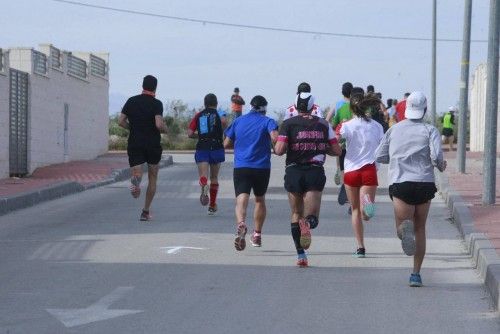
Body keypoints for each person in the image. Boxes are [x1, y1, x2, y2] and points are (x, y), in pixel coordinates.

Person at [375, 91, 447, 287]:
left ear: (406, 109)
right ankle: (415, 274)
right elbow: (436, 157)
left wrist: (397, 157)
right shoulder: (430, 130)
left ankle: (401, 230)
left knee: (402, 226)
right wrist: (441, 165)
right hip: (424, 183)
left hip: (401, 182)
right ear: (424, 110)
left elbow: (379, 155)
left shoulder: (394, 130)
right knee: (420, 227)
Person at [274, 93, 342, 267]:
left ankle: (301, 255)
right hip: (314, 171)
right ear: (313, 107)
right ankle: (308, 223)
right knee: (312, 217)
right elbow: (337, 150)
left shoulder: (288, 124)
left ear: (295, 107)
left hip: (294, 171)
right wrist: (320, 146)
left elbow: (280, 150)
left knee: (296, 213)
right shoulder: (323, 124)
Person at [224, 95, 279, 250]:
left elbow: (226, 143)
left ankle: (241, 223)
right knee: (260, 200)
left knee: (241, 199)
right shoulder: (268, 121)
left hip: (242, 166)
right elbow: (275, 137)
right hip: (261, 167)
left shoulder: (238, 121)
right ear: (264, 108)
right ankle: (257, 235)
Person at [339, 88, 384, 257]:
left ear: (351, 108)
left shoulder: (347, 126)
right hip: (369, 170)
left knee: (355, 210)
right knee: (366, 214)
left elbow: (338, 139)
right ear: (367, 107)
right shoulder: (377, 126)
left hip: (351, 171)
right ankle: (368, 206)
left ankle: (360, 248)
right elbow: (383, 146)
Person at [119, 75, 167, 221]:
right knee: (153, 176)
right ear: (155, 87)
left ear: (143, 86)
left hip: (135, 142)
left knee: (137, 171)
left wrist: (132, 128)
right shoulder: (157, 103)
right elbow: (159, 124)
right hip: (152, 144)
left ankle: (136, 179)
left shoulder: (131, 101)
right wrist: (165, 129)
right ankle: (145, 211)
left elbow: (121, 121)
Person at [188, 93, 227, 215]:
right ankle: (212, 205)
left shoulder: (198, 115)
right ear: (216, 103)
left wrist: (199, 135)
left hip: (202, 147)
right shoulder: (220, 114)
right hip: (216, 147)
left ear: (204, 104)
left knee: (204, 176)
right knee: (214, 177)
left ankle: (204, 183)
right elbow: (224, 123)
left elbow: (189, 133)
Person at [332, 84, 357, 207]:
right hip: (358, 148)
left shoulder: (339, 106)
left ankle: (344, 185)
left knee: (344, 168)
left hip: (343, 144)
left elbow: (332, 123)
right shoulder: (363, 109)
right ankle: (364, 201)